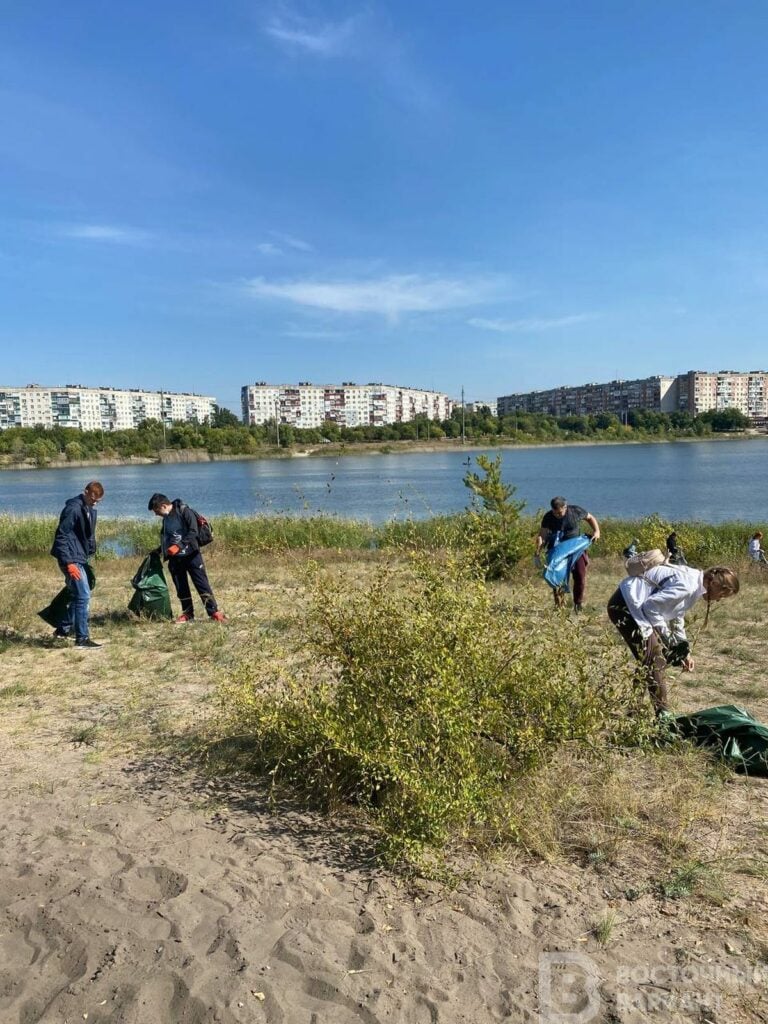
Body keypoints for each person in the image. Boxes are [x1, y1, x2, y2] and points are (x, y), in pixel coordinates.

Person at [607, 564, 739, 715]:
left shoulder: (694, 582)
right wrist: (667, 638)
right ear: (714, 583)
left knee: (648, 657)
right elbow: (650, 607)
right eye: (721, 595)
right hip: (626, 606)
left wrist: (684, 651)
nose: (718, 600)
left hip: (633, 606)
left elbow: (677, 615)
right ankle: (663, 716)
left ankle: (633, 710)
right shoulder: (688, 585)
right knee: (655, 660)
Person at [147, 493, 225, 623]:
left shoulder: (184, 511)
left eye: (156, 511)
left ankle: (214, 612)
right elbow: (168, 538)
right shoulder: (166, 519)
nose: (156, 514)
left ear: (164, 506)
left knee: (202, 584)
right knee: (181, 587)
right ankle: (188, 613)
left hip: (192, 555)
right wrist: (159, 551)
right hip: (175, 559)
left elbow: (193, 531)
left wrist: (179, 546)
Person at [49, 481, 104, 648]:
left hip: (79, 557)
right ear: (85, 492)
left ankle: (63, 630)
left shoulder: (87, 508)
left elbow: (86, 535)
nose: (95, 502)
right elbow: (61, 537)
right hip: (71, 559)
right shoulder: (73, 509)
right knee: (83, 596)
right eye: (93, 498)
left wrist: (89, 552)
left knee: (78, 595)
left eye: (98, 501)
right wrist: (69, 563)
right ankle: (82, 639)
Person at [535, 497, 601, 611]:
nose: (558, 515)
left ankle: (578, 604)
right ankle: (559, 606)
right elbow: (543, 534)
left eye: (560, 512)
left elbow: (590, 517)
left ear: (565, 507)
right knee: (557, 576)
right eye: (555, 513)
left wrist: (597, 531)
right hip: (557, 550)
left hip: (576, 547)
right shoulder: (548, 517)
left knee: (580, 574)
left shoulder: (575, 511)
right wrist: (538, 550)